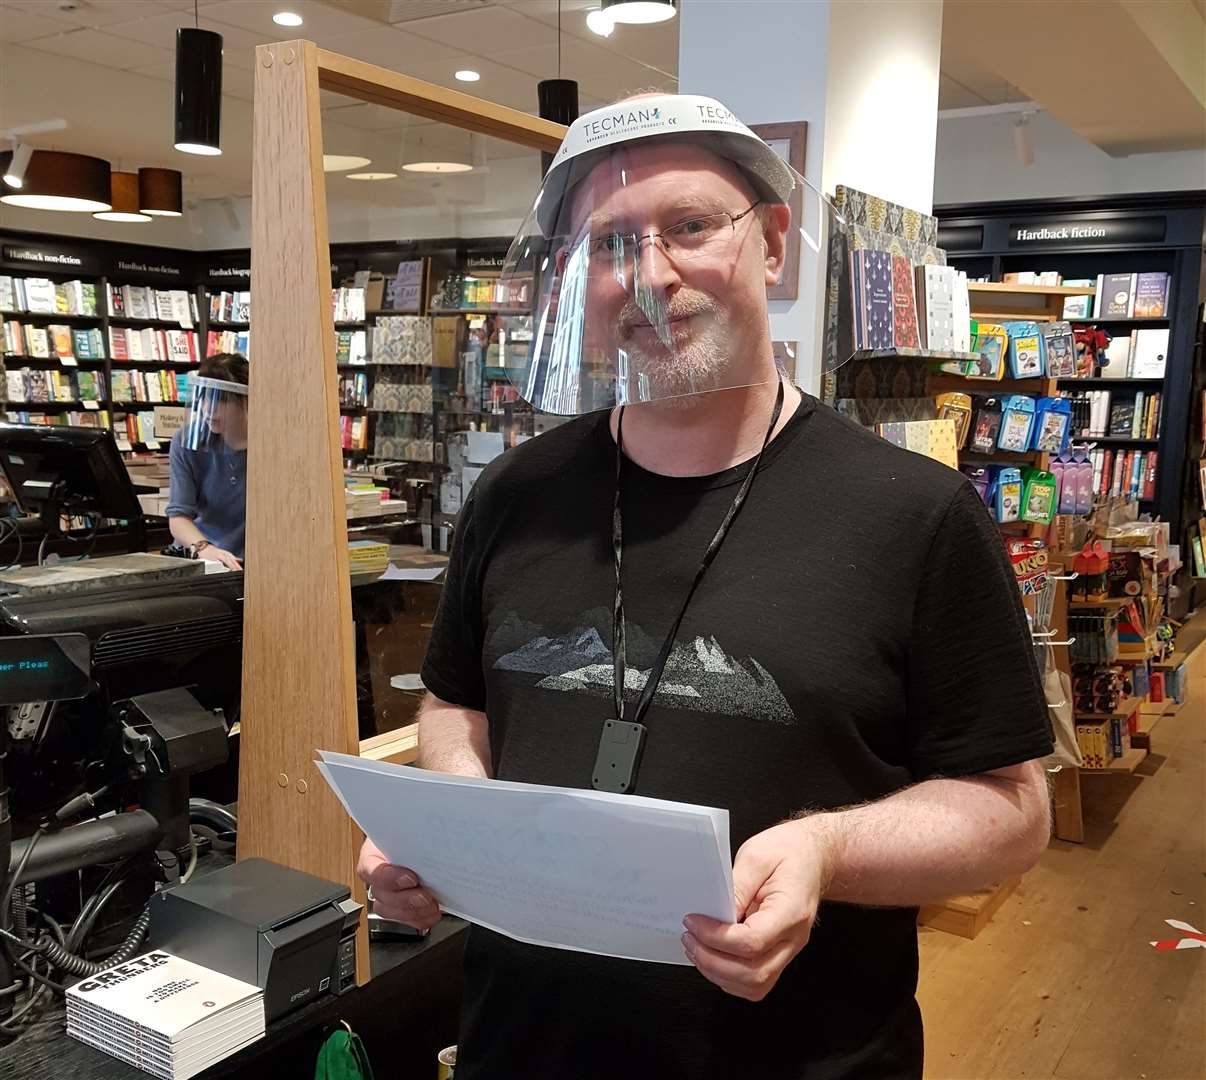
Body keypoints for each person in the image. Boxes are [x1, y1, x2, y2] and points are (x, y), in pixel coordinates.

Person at [358, 94, 1054, 1079]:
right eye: (608, 247)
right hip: (521, 1050)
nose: (649, 277)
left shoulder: (917, 515)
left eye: (688, 226)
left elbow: (1014, 813)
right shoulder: (515, 494)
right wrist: (458, 833)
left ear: (772, 244)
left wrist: (824, 852)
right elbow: (455, 702)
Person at [166, 352, 248, 570]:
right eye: (204, 397)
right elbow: (178, 517)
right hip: (201, 557)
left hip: (252, 561)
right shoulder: (187, 442)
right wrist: (205, 549)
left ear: (246, 401)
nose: (208, 409)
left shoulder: (271, 445)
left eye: (221, 399)